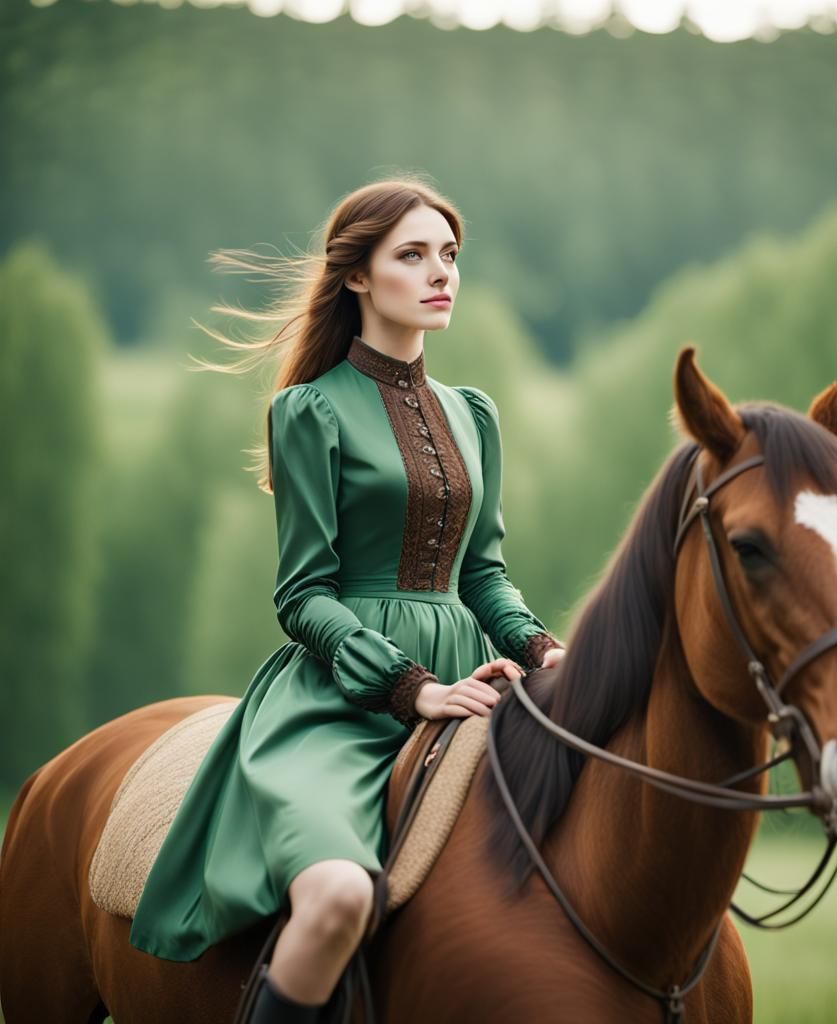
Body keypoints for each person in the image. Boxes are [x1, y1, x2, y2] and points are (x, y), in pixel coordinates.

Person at [127, 175, 566, 1022]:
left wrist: (543, 648)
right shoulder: (309, 411)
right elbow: (303, 594)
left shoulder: (474, 414)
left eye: (449, 255)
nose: (440, 273)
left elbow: (482, 574)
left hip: (467, 684)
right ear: (358, 275)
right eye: (413, 256)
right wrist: (409, 687)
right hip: (339, 699)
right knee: (336, 897)